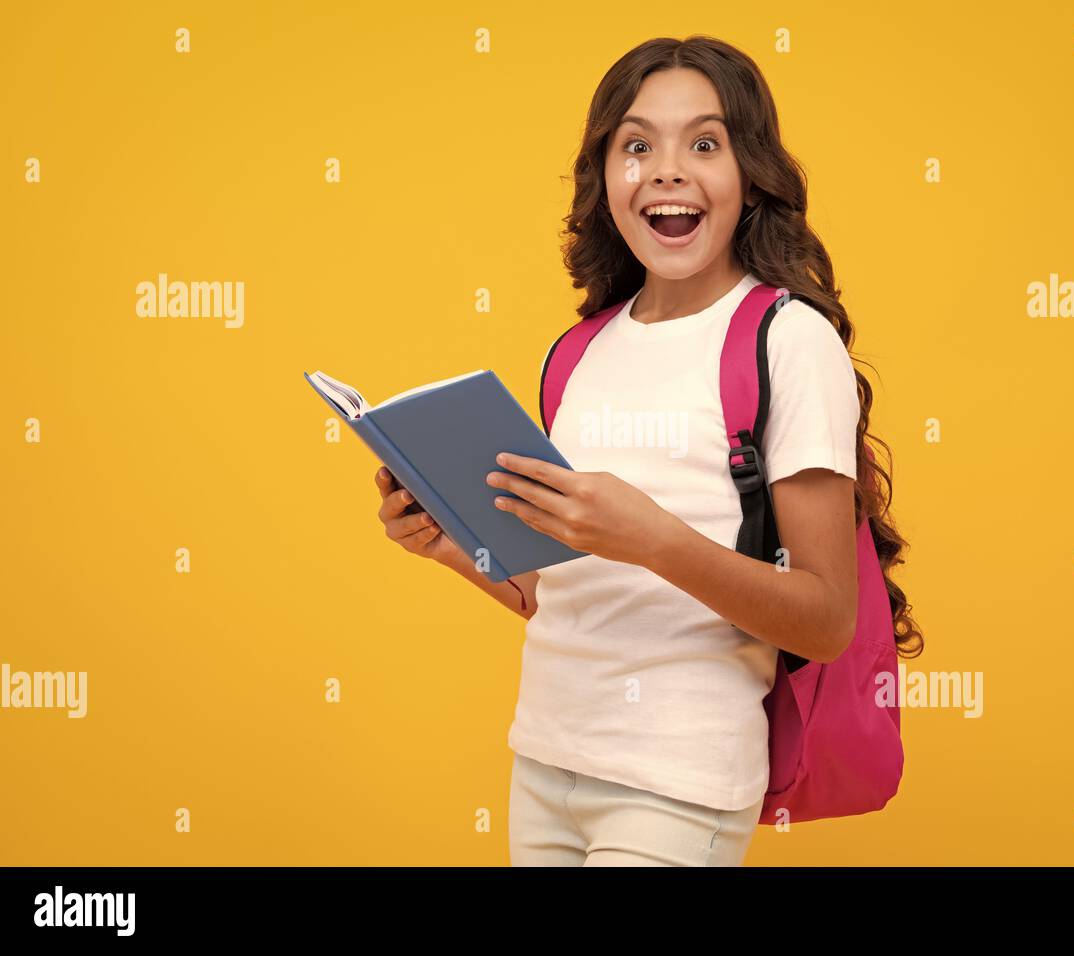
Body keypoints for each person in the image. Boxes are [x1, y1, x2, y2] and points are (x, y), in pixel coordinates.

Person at [375, 34, 919, 866]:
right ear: (607, 181)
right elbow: (558, 590)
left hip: (678, 777)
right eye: (637, 146)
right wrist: (455, 545)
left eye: (704, 143)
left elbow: (825, 618)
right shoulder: (578, 352)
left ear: (749, 178)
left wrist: (653, 537)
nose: (666, 170)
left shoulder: (787, 339)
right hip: (546, 761)